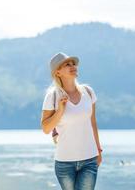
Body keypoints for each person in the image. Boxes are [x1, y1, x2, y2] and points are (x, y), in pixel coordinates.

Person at [41, 52, 103, 190]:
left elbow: (92, 123)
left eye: (73, 63)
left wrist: (99, 150)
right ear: (57, 72)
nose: (72, 66)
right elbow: (46, 128)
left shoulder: (88, 92)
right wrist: (60, 110)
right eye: (67, 65)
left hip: (90, 159)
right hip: (65, 162)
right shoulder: (53, 96)